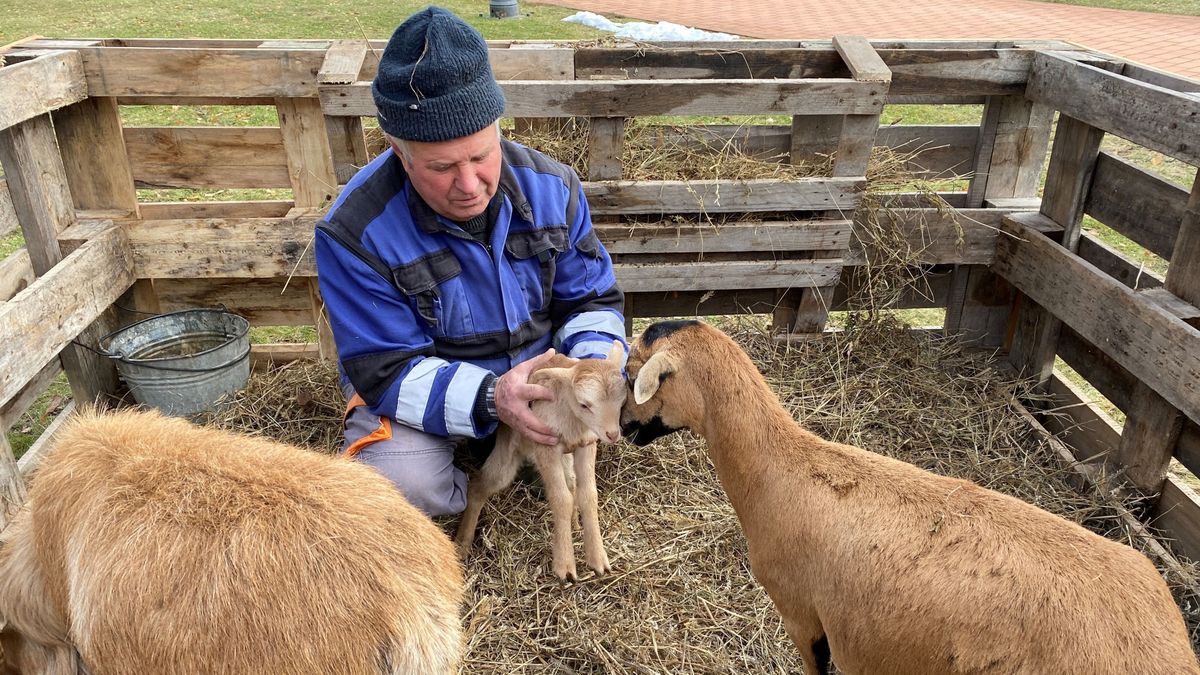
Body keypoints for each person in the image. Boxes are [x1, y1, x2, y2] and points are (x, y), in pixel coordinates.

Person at [314, 6, 627, 517]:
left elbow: (591, 301)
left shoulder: (554, 189)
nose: (469, 185)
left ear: (497, 127)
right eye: (441, 167)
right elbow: (386, 370)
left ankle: (513, 443)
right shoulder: (354, 232)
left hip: (541, 380)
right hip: (431, 383)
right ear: (398, 151)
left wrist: (586, 370)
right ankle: (469, 474)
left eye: (482, 155)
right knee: (402, 487)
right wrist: (491, 399)